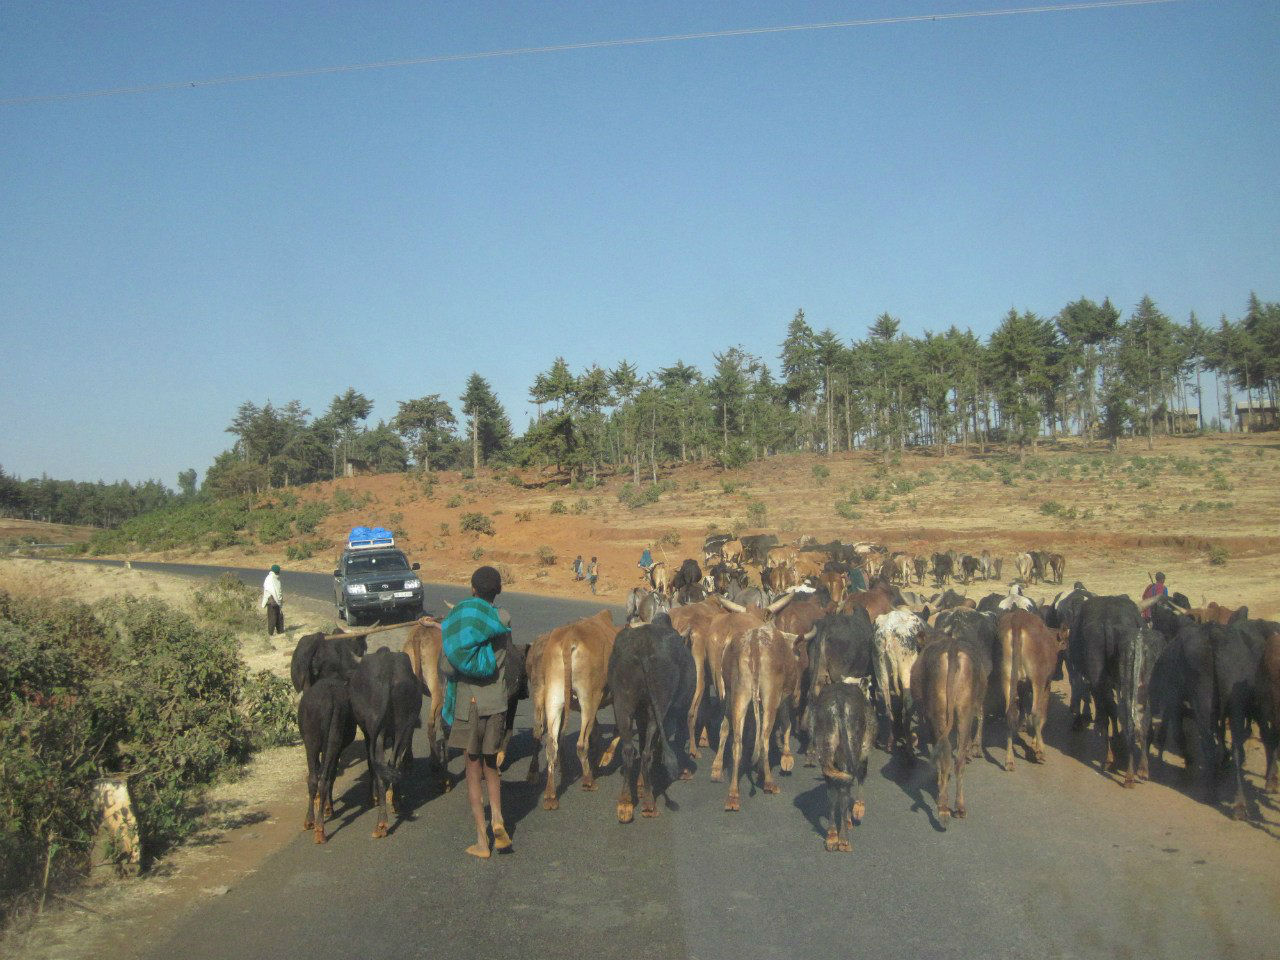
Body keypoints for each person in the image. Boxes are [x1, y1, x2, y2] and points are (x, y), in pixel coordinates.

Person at [441, 566, 513, 859]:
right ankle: (498, 817)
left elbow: (447, 666)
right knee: (491, 767)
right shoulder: (503, 620)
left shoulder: (457, 626)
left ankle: (482, 841)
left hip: (467, 705)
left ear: (472, 589)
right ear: (498, 591)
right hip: (495, 704)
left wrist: (443, 627)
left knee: (472, 770)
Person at [260, 564, 284, 635]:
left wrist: (279, 601)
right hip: (271, 602)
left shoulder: (276, 579)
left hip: (277, 602)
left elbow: (278, 591)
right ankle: (270, 634)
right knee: (272, 619)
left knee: (279, 617)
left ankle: (280, 632)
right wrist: (278, 600)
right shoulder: (269, 579)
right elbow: (272, 591)